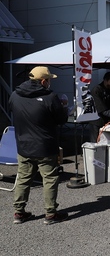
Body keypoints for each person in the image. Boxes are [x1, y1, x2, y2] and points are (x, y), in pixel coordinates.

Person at [9, 66, 69, 224]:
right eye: (49, 80)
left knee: (23, 178)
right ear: (43, 81)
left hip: (23, 145)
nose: (49, 83)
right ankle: (50, 213)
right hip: (45, 146)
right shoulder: (50, 97)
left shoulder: (15, 95)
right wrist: (63, 106)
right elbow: (61, 120)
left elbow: (12, 110)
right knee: (49, 179)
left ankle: (19, 212)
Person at [90, 72, 110, 142]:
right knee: (96, 141)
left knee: (107, 140)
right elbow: (100, 108)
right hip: (97, 120)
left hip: (107, 120)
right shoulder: (96, 90)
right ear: (105, 80)